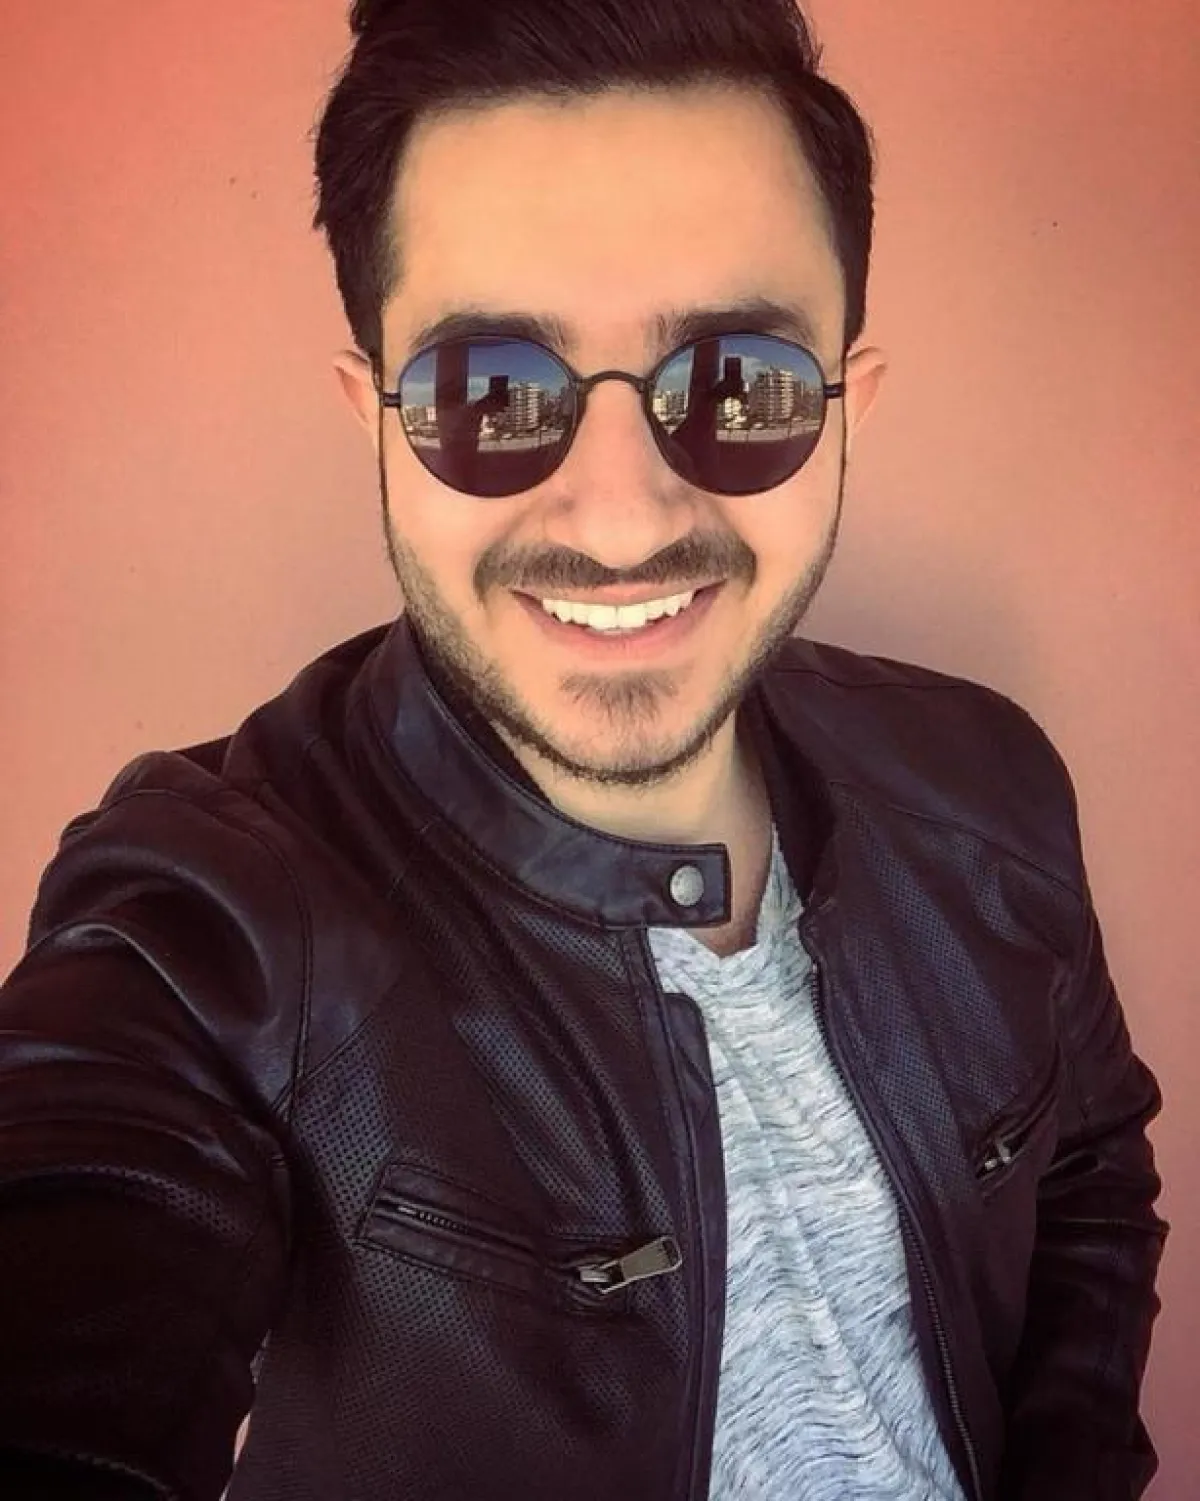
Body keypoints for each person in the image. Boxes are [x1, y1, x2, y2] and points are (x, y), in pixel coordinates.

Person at [0, 0, 1168, 1497]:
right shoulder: (223, 916)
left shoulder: (987, 783)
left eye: (735, 382)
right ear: (374, 418)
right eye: (490, 394)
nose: (619, 520)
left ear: (847, 408)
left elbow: (1090, 1170)